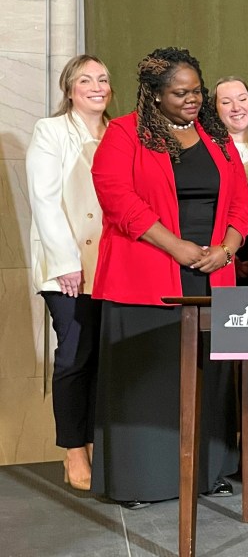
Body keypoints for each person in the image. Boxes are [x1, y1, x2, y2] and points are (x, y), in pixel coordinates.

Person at [90, 47, 248, 507]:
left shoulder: (216, 138)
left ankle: (207, 473)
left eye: (198, 91)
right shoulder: (124, 133)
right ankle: (141, 481)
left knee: (208, 379)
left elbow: (240, 199)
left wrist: (228, 247)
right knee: (149, 382)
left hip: (211, 274)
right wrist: (175, 246)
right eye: (181, 93)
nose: (192, 99)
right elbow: (118, 199)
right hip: (147, 275)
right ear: (155, 96)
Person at [26, 54, 112, 491]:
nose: (96, 86)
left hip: (112, 267)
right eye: (86, 79)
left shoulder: (120, 133)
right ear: (70, 88)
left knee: (104, 357)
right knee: (74, 356)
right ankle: (74, 450)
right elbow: (44, 200)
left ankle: (98, 442)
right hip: (69, 268)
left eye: (102, 79)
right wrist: (66, 264)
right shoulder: (51, 131)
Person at [213, 77, 248, 281]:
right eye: (226, 102)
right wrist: (230, 255)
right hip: (222, 251)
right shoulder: (208, 153)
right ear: (215, 111)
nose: (236, 107)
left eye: (242, 99)